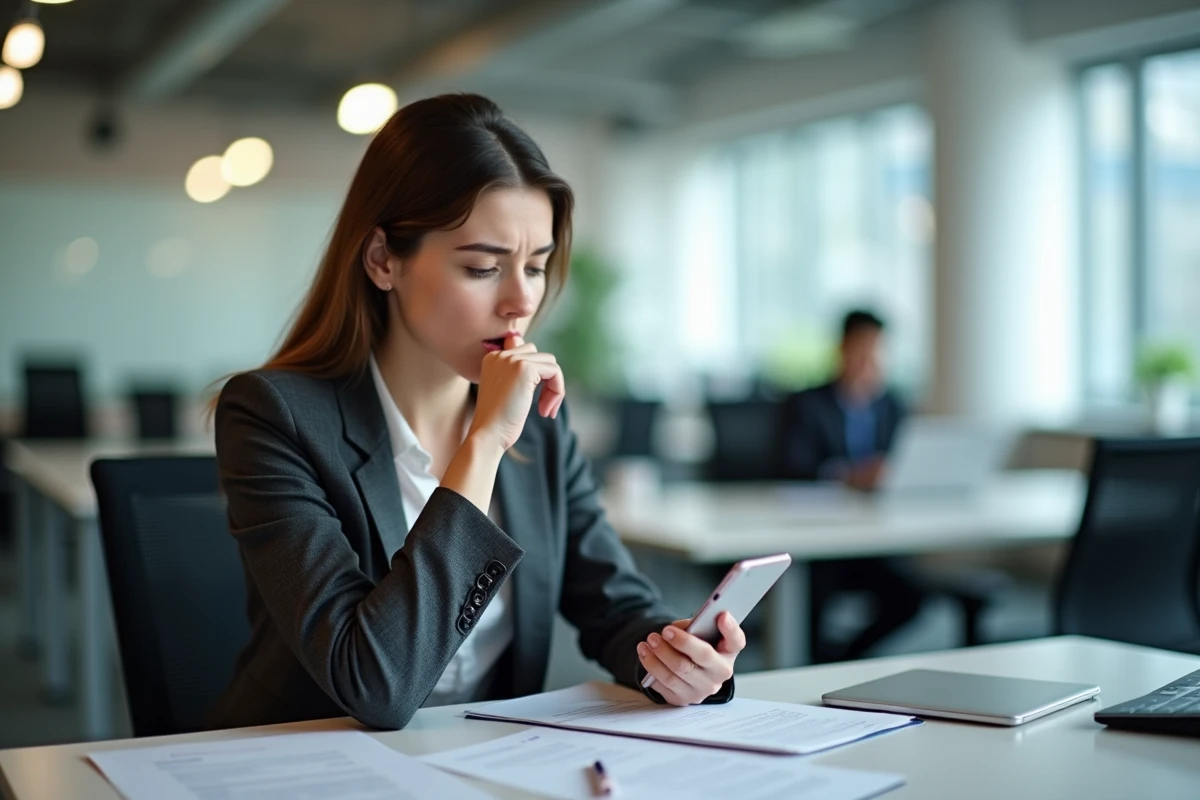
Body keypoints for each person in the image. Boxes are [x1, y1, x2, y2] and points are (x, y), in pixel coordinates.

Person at [205, 94, 744, 731]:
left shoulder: (540, 425)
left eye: (537, 267)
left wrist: (677, 654)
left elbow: (615, 605)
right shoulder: (274, 416)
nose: (521, 301)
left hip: (480, 755)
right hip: (307, 760)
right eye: (483, 267)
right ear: (383, 260)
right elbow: (372, 682)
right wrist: (483, 445)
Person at [779, 309, 925, 662]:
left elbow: (904, 461)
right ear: (842, 349)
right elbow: (790, 468)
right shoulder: (806, 404)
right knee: (812, 596)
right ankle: (807, 662)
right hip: (815, 542)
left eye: (877, 352)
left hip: (874, 538)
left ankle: (843, 657)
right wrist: (848, 475)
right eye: (862, 350)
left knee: (912, 595)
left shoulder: (893, 405)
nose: (869, 361)